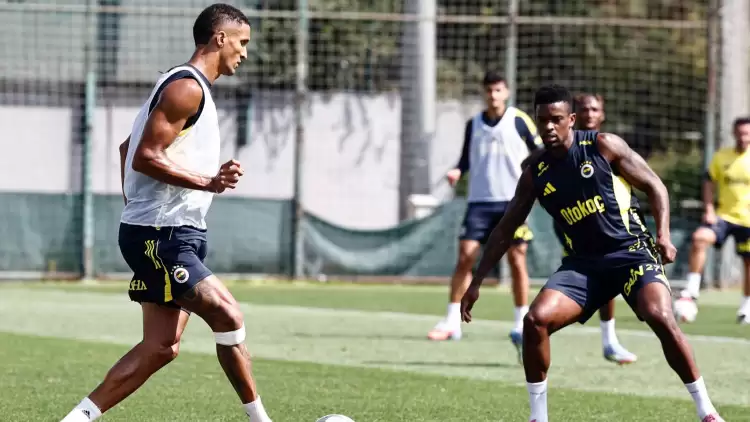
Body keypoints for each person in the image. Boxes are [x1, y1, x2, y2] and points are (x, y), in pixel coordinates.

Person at [460, 85, 723, 422]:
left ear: (571, 119)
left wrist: (663, 234)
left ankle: (706, 411)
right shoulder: (535, 173)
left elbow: (655, 186)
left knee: (659, 315)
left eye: (556, 119)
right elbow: (503, 230)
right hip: (584, 265)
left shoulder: (603, 146)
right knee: (535, 321)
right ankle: (538, 417)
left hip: (631, 252)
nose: (549, 127)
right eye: (543, 120)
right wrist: (476, 282)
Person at [60, 4, 273, 422]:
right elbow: (143, 156)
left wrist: (138, 209)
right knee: (228, 315)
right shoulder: (186, 88)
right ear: (220, 38)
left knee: (161, 346)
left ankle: (77, 419)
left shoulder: (184, 85)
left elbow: (126, 149)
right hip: (163, 236)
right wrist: (208, 182)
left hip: (170, 232)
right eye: (242, 42)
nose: (245, 52)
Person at [428, 70, 541, 357]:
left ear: (507, 92)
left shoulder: (519, 120)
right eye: (489, 90)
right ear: (484, 93)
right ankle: (452, 321)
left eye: (498, 90)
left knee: (517, 259)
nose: (493, 95)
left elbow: (540, 152)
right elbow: (466, 158)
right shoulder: (474, 124)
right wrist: (457, 170)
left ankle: (522, 322)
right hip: (479, 202)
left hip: (512, 202)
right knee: (465, 257)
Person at [552, 93, 637, 364]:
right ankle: (534, 328)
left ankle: (609, 340)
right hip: (574, 226)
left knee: (611, 274)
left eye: (594, 109)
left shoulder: (608, 145)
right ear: (573, 116)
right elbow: (533, 168)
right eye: (584, 109)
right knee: (596, 274)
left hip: (613, 226)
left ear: (602, 114)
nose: (589, 114)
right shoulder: (560, 147)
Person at [678, 117, 750, 324]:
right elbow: (709, 181)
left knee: (749, 262)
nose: (743, 137)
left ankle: (746, 307)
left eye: (747, 133)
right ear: (733, 133)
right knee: (700, 238)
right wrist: (709, 209)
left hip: (747, 220)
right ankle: (691, 291)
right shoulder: (721, 156)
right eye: (740, 133)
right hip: (724, 217)